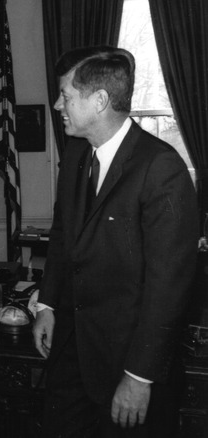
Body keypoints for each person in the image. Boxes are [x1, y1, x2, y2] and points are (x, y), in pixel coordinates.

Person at [32, 46, 198, 436]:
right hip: (73, 355)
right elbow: (62, 237)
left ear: (100, 100)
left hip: (128, 364)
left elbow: (168, 289)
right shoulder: (75, 153)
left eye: (66, 96)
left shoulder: (161, 169)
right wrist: (48, 303)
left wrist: (139, 377)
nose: (58, 105)